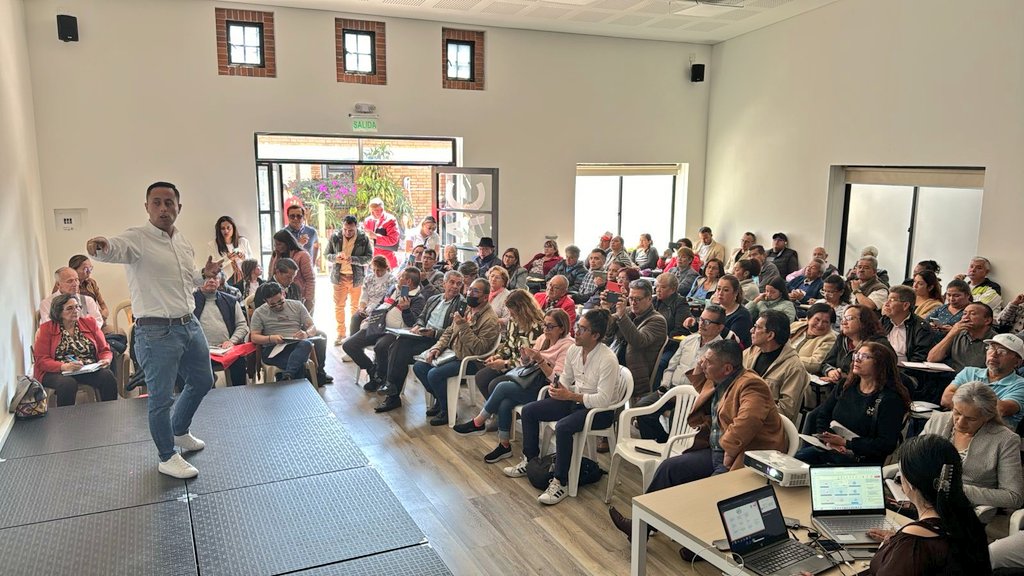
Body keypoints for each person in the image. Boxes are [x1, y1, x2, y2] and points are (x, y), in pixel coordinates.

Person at [88, 181, 220, 479]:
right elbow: (111, 249)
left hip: (189, 324)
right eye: (157, 202)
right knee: (161, 398)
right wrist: (99, 247)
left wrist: (203, 275)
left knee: (202, 380)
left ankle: (179, 430)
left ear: (178, 207)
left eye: (169, 203)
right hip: (156, 332)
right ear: (147, 207)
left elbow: (188, 279)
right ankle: (166, 456)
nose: (163, 208)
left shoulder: (182, 242)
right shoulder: (136, 239)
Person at [608, 340, 787, 547]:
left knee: (706, 492)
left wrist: (729, 452)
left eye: (707, 362)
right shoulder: (720, 379)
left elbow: (747, 421)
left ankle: (701, 546)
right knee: (669, 469)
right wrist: (703, 365)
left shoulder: (751, 385)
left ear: (727, 368)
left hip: (742, 456)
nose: (702, 364)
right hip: (715, 451)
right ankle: (640, 527)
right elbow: (701, 383)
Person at [504, 309, 622, 506]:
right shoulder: (575, 350)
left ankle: (561, 481)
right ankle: (531, 461)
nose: (576, 332)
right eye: (578, 326)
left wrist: (570, 395)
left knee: (564, 427)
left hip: (599, 412)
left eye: (582, 329)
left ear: (596, 336)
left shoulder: (608, 359)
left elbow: (603, 400)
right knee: (529, 410)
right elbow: (565, 379)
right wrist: (557, 387)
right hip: (576, 401)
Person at [455, 309, 574, 463]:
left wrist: (540, 360)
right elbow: (528, 366)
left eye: (550, 327)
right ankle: (504, 444)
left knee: (502, 387)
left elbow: (556, 380)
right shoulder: (544, 338)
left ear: (562, 328)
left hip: (546, 389)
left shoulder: (567, 346)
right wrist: (525, 358)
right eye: (544, 325)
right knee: (505, 402)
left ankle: (478, 422)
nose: (545, 330)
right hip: (532, 382)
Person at [866, 435, 991, 575]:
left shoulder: (913, 543)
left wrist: (894, 548)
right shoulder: (968, 522)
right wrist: (895, 541)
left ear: (912, 483)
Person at [796, 342, 910, 465]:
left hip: (861, 458)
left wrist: (846, 444)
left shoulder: (890, 399)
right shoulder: (845, 385)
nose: (857, 360)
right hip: (832, 448)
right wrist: (829, 441)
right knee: (794, 461)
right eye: (856, 355)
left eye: (864, 357)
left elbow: (885, 444)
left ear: (880, 364)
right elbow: (823, 415)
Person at [373, 271, 466, 413]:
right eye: (452, 282)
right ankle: (392, 391)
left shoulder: (461, 304)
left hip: (438, 342)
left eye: (458, 284)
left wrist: (434, 332)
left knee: (399, 348)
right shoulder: (434, 299)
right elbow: (421, 317)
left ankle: (392, 392)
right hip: (423, 336)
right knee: (399, 344)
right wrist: (419, 326)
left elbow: (453, 332)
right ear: (444, 283)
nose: (455, 286)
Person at [920, 382, 1024, 510]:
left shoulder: (1005, 440)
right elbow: (913, 457)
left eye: (971, 419)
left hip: (966, 509)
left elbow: (1014, 497)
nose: (960, 422)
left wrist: (955, 489)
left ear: (988, 417)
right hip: (923, 498)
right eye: (957, 412)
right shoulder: (938, 421)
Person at [414, 277, 501, 425]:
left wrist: (463, 326)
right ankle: (442, 402)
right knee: (420, 367)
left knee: (434, 374)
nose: (469, 293)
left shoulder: (490, 320)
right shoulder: (467, 309)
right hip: (452, 353)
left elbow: (480, 349)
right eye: (469, 290)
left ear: (485, 297)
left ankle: (447, 412)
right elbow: (448, 332)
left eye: (475, 291)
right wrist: (437, 347)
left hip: (471, 360)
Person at [634, 304, 726, 442]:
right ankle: (660, 442)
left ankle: (670, 448)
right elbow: (671, 367)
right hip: (670, 390)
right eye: (700, 319)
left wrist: (682, 396)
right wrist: (664, 387)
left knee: (676, 420)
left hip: (693, 398)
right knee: (641, 408)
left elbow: (712, 384)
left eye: (707, 322)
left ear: (720, 327)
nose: (701, 324)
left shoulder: (720, 351)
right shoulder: (688, 340)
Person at [342, 268, 426, 391]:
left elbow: (413, 324)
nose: (397, 277)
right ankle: (372, 370)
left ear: (408, 281)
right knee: (349, 345)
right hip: (377, 325)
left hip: (395, 332)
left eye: (401, 276)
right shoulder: (393, 288)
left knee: (380, 347)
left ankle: (380, 378)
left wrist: (406, 309)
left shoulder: (418, 299)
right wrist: (371, 317)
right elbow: (381, 304)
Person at [33, 293, 118, 405]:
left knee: (107, 376)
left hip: (85, 368)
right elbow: (41, 360)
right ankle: (66, 420)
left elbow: (105, 350)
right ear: (58, 312)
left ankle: (111, 412)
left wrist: (106, 360)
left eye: (78, 307)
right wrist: (63, 366)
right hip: (56, 371)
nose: (76, 310)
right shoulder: (46, 329)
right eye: (70, 308)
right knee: (67, 384)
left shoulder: (90, 323)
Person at [940, 333, 1024, 429]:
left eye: (1002, 351)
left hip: (992, 436)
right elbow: (946, 398)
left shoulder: (1020, 385)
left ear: (1017, 362)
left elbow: (1000, 409)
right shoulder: (969, 372)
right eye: (991, 348)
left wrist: (961, 406)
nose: (994, 354)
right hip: (955, 427)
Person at [472, 289, 544, 399]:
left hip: (526, 369)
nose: (510, 314)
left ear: (523, 311)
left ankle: (498, 409)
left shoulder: (536, 328)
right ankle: (494, 411)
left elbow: (532, 360)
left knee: (494, 385)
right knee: (481, 377)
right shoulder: (513, 320)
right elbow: (509, 344)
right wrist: (498, 356)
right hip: (511, 362)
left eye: (513, 312)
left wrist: (506, 364)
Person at [602, 279, 668, 397]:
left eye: (637, 299)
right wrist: (605, 309)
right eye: (631, 298)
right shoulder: (627, 312)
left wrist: (622, 316)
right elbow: (606, 332)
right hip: (613, 367)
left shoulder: (657, 320)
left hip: (634, 376)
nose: (633, 303)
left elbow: (638, 341)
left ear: (649, 299)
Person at [742, 310, 808, 422]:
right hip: (742, 415)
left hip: (767, 427)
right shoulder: (750, 353)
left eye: (757, 327)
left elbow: (786, 411)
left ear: (770, 335)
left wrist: (751, 405)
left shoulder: (794, 368)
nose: (751, 330)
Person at [250, 282, 323, 382]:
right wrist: (271, 338)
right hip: (273, 349)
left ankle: (287, 377)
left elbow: (312, 327)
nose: (278, 306)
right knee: (298, 364)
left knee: (306, 344)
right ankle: (289, 376)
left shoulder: (297, 305)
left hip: (296, 345)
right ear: (265, 301)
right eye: (272, 304)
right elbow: (254, 337)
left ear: (283, 293)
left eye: (280, 301)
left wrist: (306, 333)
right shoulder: (259, 312)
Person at [194, 273, 250, 386]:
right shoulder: (190, 302)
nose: (211, 280)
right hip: (200, 350)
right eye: (206, 278)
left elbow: (242, 325)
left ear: (220, 281)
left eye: (215, 278)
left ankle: (238, 398)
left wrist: (231, 341)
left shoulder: (231, 301)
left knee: (239, 363)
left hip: (227, 350)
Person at [325, 215, 373, 345]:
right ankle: (341, 334)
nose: (347, 232)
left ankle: (354, 334)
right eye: (345, 229)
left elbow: (369, 258)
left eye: (351, 230)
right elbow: (326, 255)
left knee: (356, 307)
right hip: (339, 276)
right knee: (339, 306)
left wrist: (354, 259)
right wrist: (336, 258)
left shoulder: (363, 238)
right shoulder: (335, 237)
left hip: (356, 277)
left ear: (356, 227)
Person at [819, 304, 892, 385]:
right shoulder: (842, 339)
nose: (844, 322)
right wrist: (831, 372)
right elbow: (826, 363)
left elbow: (882, 375)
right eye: (843, 318)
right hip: (840, 388)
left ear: (864, 322)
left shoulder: (879, 344)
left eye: (849, 318)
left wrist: (846, 378)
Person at [927, 302, 997, 373]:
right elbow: (932, 358)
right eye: (964, 313)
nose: (965, 317)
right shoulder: (957, 334)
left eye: (972, 314)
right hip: (953, 378)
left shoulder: (996, 340)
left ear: (987, 320)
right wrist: (951, 333)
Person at [881, 285, 936, 364]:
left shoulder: (921, 327)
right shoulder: (884, 321)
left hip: (906, 371)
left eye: (892, 300)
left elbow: (919, 358)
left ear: (905, 305)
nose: (886, 303)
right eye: (887, 299)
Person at [40, 267, 106, 332]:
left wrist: (86, 333)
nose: (75, 284)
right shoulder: (47, 303)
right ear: (58, 284)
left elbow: (98, 320)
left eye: (76, 280)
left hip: (88, 337)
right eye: (70, 281)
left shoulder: (88, 300)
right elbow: (48, 326)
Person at [347, 256, 395, 340]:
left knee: (369, 322)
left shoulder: (391, 279)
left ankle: (360, 340)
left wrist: (375, 309)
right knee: (355, 318)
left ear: (385, 268)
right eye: (374, 270)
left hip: (382, 308)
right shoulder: (369, 278)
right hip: (368, 306)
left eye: (379, 270)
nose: (376, 272)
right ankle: (352, 340)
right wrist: (362, 308)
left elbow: (389, 299)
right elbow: (365, 295)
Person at [269, 229, 315, 313]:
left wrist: (309, 299)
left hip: (300, 296)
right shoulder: (276, 254)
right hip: (280, 298)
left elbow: (310, 279)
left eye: (279, 244)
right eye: (275, 244)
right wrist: (277, 258)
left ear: (287, 243)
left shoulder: (302, 255)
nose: (276, 247)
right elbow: (271, 275)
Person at [704, 274, 753, 348]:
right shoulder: (714, 309)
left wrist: (715, 326)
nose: (720, 293)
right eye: (718, 289)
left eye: (726, 290)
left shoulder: (743, 315)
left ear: (735, 293)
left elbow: (733, 343)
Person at [788, 302, 837, 374]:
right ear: (808, 318)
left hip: (798, 374)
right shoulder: (796, 326)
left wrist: (787, 359)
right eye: (817, 319)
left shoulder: (829, 339)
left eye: (825, 322)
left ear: (830, 324)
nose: (820, 325)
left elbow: (815, 364)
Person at [64, 254, 110, 324]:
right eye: (85, 269)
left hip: (96, 321)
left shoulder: (91, 283)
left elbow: (102, 304)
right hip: (77, 323)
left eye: (90, 268)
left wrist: (103, 315)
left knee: (119, 333)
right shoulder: (64, 285)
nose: (89, 271)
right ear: (73, 270)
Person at [208, 215, 253, 283]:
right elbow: (213, 267)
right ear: (219, 230)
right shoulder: (212, 245)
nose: (226, 231)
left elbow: (252, 261)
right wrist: (227, 259)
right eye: (223, 228)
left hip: (245, 278)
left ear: (233, 228)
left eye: (228, 228)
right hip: (225, 280)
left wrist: (244, 257)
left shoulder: (243, 241)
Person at [363, 198, 400, 269]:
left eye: (381, 209)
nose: (379, 212)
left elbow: (393, 240)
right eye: (376, 210)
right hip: (372, 262)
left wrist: (376, 236)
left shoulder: (390, 220)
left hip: (387, 261)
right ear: (371, 210)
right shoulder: (368, 221)